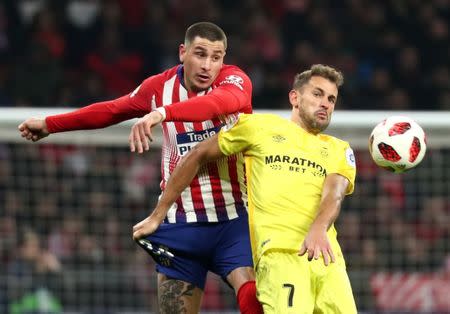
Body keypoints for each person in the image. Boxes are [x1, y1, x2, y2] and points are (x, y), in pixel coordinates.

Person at [18, 22, 262, 314]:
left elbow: (218, 104)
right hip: (179, 220)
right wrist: (49, 124)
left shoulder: (234, 81)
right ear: (182, 52)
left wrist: (161, 114)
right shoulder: (159, 87)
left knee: (253, 297)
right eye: (200, 54)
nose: (208, 65)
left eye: (216, 57)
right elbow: (111, 110)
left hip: (233, 218)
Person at [133, 64, 358, 313]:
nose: (325, 103)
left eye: (331, 99)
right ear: (295, 97)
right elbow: (198, 153)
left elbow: (334, 194)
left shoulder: (340, 149)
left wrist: (318, 227)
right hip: (279, 256)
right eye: (317, 94)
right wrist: (159, 213)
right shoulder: (258, 127)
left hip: (328, 258)